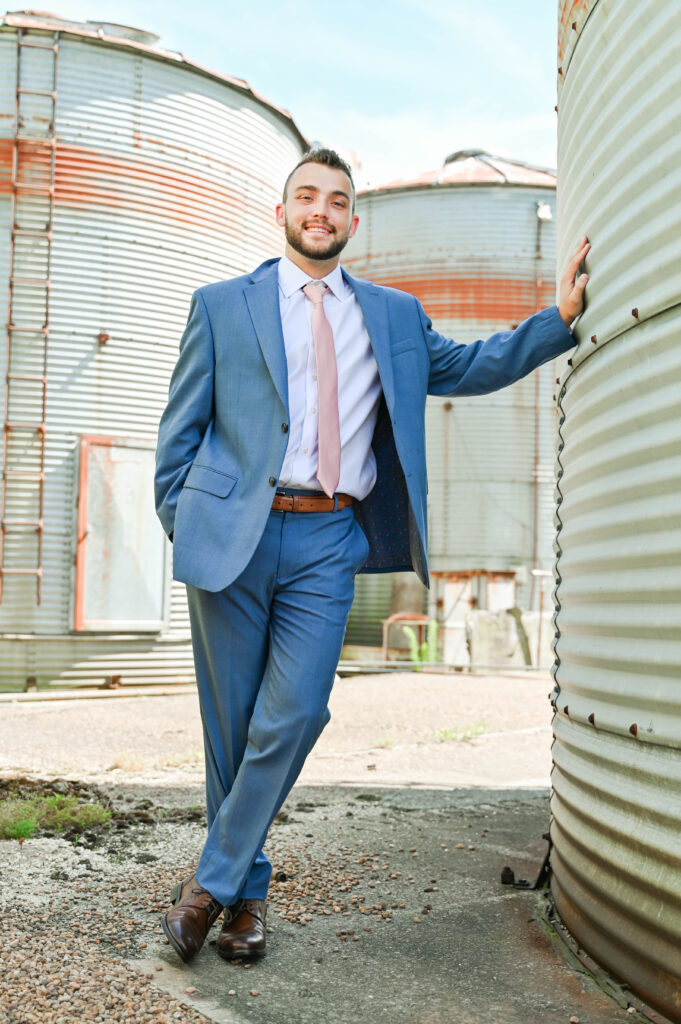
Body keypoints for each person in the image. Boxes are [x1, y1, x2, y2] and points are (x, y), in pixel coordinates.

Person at [154, 148, 589, 964]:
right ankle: (246, 904)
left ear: (354, 220)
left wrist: (556, 321)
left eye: (337, 200)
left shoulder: (390, 314)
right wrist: (184, 518)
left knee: (295, 714)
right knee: (231, 728)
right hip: (233, 535)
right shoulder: (219, 305)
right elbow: (178, 433)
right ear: (282, 211)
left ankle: (208, 886)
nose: (321, 210)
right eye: (306, 196)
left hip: (326, 536)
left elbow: (467, 366)